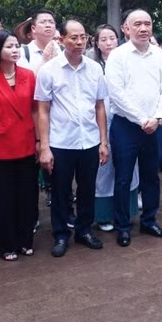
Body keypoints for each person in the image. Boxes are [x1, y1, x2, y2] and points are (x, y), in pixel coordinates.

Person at [36, 20, 108, 257]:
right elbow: (43, 110)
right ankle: (60, 234)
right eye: (73, 38)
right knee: (60, 191)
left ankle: (84, 230)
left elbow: (100, 107)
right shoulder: (48, 71)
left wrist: (103, 142)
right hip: (61, 142)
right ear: (61, 40)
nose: (79, 42)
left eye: (83, 37)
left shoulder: (95, 69)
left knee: (88, 188)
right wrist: (44, 147)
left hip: (89, 140)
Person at [105, 9, 162, 247]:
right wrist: (141, 118)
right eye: (137, 24)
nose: (143, 28)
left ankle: (149, 221)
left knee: (151, 176)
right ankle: (123, 226)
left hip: (154, 126)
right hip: (126, 126)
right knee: (123, 177)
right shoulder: (117, 56)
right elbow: (117, 94)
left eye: (148, 23)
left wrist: (156, 118)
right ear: (125, 28)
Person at [0, 30, 38, 261]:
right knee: (4, 198)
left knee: (27, 195)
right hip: (0, 145)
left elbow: (34, 109)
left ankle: (25, 240)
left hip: (26, 142)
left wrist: (40, 140)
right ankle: (7, 244)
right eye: (9, 46)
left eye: (16, 46)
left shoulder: (28, 75)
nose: (15, 50)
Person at [88, 25, 139, 232]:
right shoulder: (92, 66)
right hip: (100, 120)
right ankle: (103, 215)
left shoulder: (128, 60)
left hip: (127, 119)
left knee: (128, 169)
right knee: (104, 169)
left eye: (112, 38)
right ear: (97, 44)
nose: (109, 42)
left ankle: (127, 211)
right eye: (104, 39)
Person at [21, 9, 61, 74]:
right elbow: (25, 80)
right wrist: (44, 61)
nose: (48, 25)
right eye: (43, 22)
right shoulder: (23, 53)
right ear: (33, 28)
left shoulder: (64, 51)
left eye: (51, 22)